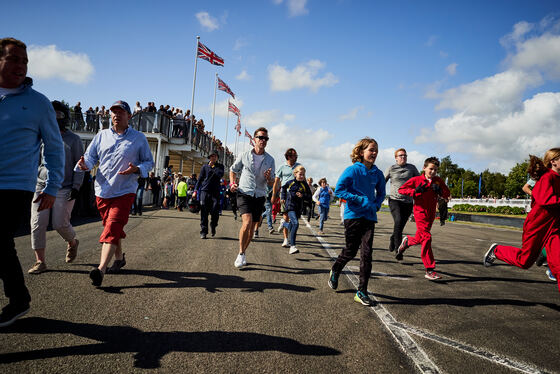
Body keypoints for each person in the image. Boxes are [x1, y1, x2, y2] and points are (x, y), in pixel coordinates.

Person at [0, 37, 64, 327]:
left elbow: (54, 148)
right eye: (14, 59)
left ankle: (18, 299)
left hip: (15, 186)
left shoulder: (38, 103)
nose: (20, 66)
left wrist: (52, 187)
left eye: (24, 61)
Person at [76, 100, 154, 286]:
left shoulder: (138, 138)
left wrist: (137, 169)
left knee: (112, 227)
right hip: (102, 190)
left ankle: (101, 269)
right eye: (113, 112)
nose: (116, 115)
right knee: (113, 228)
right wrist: (84, 164)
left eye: (120, 112)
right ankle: (119, 259)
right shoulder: (101, 135)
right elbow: (90, 157)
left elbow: (149, 163)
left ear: (129, 116)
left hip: (125, 190)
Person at [484, 149, 560, 290]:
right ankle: (497, 250)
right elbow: (545, 199)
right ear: (553, 161)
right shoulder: (547, 177)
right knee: (524, 261)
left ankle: (548, 263)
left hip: (554, 228)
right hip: (537, 225)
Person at [327, 138, 386, 306]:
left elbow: (381, 192)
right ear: (361, 152)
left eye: (376, 150)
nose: (374, 153)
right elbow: (339, 190)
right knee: (351, 251)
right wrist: (359, 199)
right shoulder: (352, 170)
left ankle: (361, 291)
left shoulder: (378, 173)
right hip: (352, 216)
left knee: (367, 254)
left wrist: (377, 203)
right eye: (371, 150)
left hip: (369, 217)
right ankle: (336, 269)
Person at [28, 101, 84, 274]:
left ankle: (73, 242)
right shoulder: (40, 137)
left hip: (65, 187)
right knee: (37, 223)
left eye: (59, 114)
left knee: (59, 223)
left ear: (65, 117)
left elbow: (80, 165)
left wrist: (76, 186)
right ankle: (40, 262)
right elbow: (33, 161)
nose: (55, 118)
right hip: (41, 186)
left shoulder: (74, 140)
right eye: (52, 114)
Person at [396, 156, 451, 280]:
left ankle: (407, 242)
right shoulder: (416, 180)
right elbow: (401, 189)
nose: (433, 172)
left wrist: (441, 191)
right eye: (431, 169)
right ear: (424, 168)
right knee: (426, 237)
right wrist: (415, 191)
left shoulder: (438, 181)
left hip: (431, 214)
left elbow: (447, 193)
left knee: (420, 237)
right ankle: (429, 269)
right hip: (420, 213)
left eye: (435, 170)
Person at [229, 127, 275, 268]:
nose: (263, 140)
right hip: (244, 192)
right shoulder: (244, 155)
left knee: (252, 228)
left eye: (265, 138)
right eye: (260, 137)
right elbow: (233, 170)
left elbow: (272, 182)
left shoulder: (270, 160)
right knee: (247, 222)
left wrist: (268, 179)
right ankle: (241, 253)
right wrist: (232, 183)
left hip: (260, 195)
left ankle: (243, 252)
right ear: (254, 139)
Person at [385, 148, 420, 252]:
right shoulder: (391, 168)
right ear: (396, 158)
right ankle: (398, 248)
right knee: (398, 220)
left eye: (405, 155)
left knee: (399, 226)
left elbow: (419, 181)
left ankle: (393, 238)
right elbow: (382, 181)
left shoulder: (412, 168)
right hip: (395, 200)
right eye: (401, 155)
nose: (403, 157)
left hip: (408, 202)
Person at [272, 148, 301, 248]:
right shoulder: (282, 167)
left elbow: (303, 180)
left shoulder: (299, 167)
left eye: (297, 156)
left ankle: (284, 224)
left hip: (296, 196)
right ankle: (286, 240)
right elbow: (276, 182)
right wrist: (274, 195)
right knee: (286, 216)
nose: (296, 157)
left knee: (294, 220)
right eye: (294, 155)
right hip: (285, 195)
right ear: (288, 156)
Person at [193, 150, 225, 239]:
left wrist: (212, 167)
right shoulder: (204, 167)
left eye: (215, 156)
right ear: (209, 157)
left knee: (215, 210)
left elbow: (220, 174)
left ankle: (213, 225)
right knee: (203, 209)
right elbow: (199, 179)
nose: (213, 158)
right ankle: (204, 231)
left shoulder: (220, 166)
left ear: (217, 157)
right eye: (211, 156)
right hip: (204, 191)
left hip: (215, 192)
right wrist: (195, 190)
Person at [281, 166, 312, 254]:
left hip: (299, 208)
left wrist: (303, 196)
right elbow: (283, 188)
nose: (302, 176)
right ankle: (292, 246)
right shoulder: (290, 182)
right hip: (290, 206)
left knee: (292, 225)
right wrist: (283, 197)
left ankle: (284, 223)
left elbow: (310, 197)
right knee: (296, 223)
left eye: (303, 175)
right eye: (300, 174)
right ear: (295, 174)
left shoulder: (305, 185)